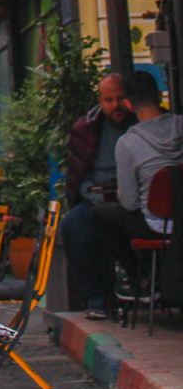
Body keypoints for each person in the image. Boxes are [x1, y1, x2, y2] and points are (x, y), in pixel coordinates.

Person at [91, 69, 183, 308]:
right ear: (159, 96)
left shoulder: (128, 143)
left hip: (156, 224)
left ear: (129, 104)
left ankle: (140, 280)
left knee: (99, 214)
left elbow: (129, 202)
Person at [60, 71, 136, 318]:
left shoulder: (140, 123)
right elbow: (78, 173)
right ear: (100, 101)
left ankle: (142, 282)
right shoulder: (86, 128)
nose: (116, 105)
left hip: (135, 199)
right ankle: (95, 298)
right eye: (109, 100)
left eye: (121, 98)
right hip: (97, 198)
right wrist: (94, 196)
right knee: (73, 225)